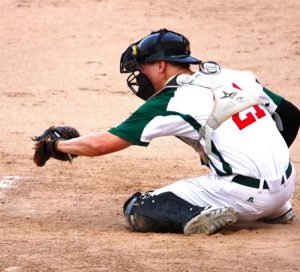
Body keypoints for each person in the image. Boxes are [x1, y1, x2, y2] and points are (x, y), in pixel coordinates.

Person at [44, 29, 300, 235]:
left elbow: (103, 143)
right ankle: (274, 207)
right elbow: (291, 116)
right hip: (286, 189)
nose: (139, 75)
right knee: (241, 171)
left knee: (138, 207)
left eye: (142, 67)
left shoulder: (171, 100)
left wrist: (58, 146)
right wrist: (266, 162)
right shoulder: (236, 77)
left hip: (243, 196)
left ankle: (202, 212)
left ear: (161, 65)